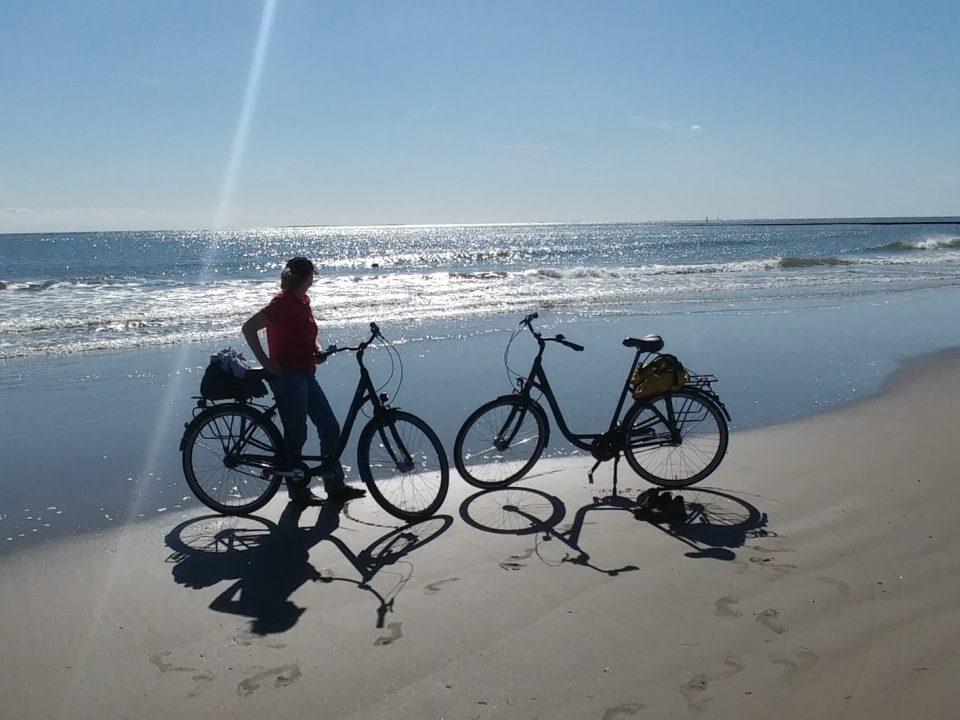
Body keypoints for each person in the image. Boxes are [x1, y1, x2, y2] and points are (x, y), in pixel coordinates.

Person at [242, 256, 366, 506]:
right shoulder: (282, 302)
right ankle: (298, 491)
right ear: (307, 277)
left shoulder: (302, 301)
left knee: (330, 428)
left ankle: (335, 487)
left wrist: (317, 349)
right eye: (313, 275)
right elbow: (248, 328)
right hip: (287, 376)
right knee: (297, 433)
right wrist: (266, 362)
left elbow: (310, 332)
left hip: (306, 372)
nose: (314, 279)